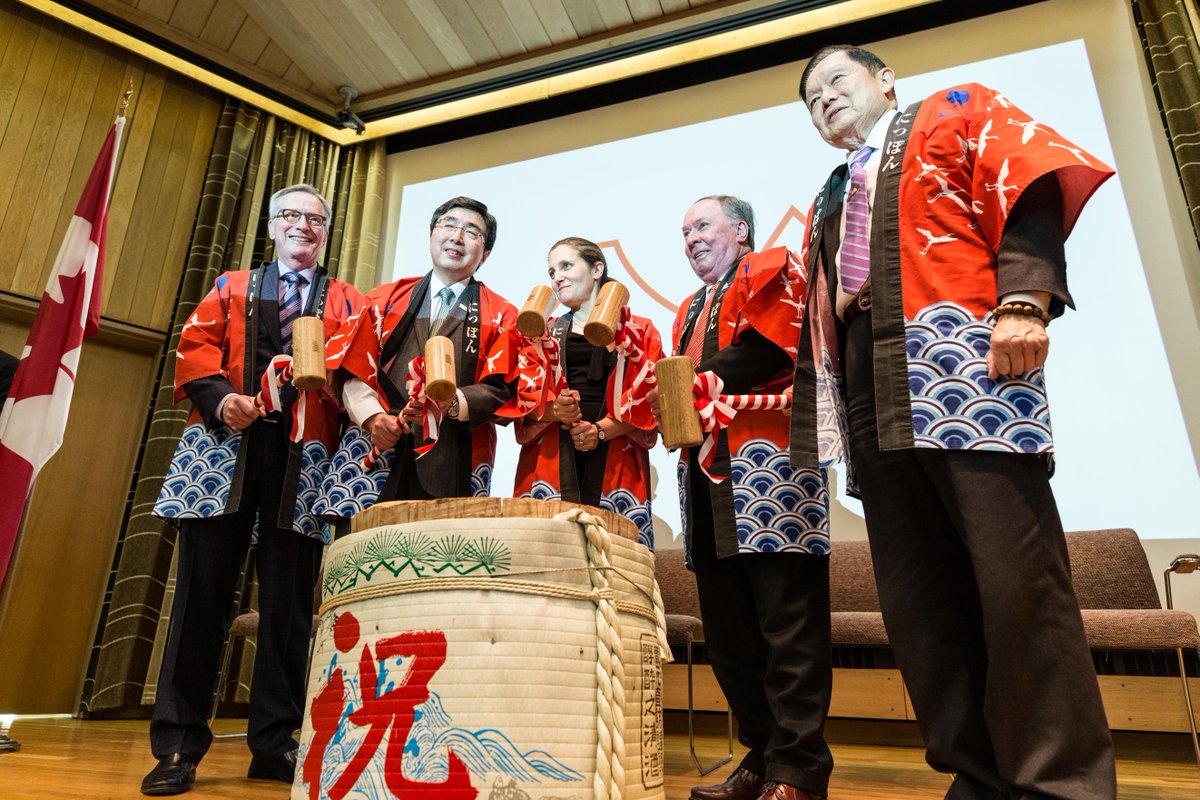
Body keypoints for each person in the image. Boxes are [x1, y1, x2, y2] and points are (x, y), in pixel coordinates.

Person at [790, 45, 1117, 799]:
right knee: (921, 602)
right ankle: (976, 778)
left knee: (1017, 584)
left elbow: (1030, 181)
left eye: (836, 81)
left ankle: (1060, 784)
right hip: (870, 387)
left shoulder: (956, 109)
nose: (824, 99)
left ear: (885, 80)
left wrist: (1025, 300)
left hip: (964, 363)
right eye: (811, 100)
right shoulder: (831, 190)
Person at [148, 184, 366, 794]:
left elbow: (357, 372)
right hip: (226, 452)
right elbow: (195, 351)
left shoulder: (348, 300)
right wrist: (224, 402)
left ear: (327, 232)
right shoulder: (231, 286)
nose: (303, 226)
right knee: (200, 600)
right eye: (291, 215)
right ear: (272, 226)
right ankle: (178, 745)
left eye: (315, 219)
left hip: (304, 462)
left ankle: (275, 742)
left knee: (290, 609)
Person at [651, 196, 833, 800]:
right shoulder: (688, 307)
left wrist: (684, 383)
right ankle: (762, 753)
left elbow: (767, 348)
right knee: (729, 630)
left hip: (769, 464)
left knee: (787, 621)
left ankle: (799, 769)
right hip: (705, 474)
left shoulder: (772, 265)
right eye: (684, 231)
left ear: (742, 230)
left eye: (702, 225)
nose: (691, 239)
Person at [316, 196, 517, 520]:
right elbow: (353, 367)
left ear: (485, 254)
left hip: (454, 453)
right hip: (375, 443)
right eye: (448, 225)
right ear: (430, 237)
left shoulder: (503, 314)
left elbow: (503, 388)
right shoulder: (384, 298)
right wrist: (372, 418)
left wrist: (452, 402)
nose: (457, 236)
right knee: (354, 547)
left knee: (441, 550)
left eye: (471, 232)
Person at [512, 236, 663, 548]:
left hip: (616, 454)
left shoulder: (639, 331)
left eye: (566, 266)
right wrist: (555, 410)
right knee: (549, 559)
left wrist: (600, 431)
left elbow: (651, 399)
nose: (557, 277)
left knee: (617, 558)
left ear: (597, 269)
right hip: (551, 455)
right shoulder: (540, 331)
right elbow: (521, 396)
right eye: (552, 272)